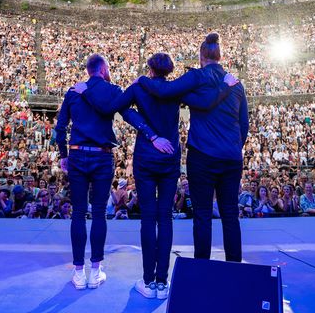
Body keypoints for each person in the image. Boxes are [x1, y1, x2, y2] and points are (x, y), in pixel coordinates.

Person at [72, 51, 235, 298]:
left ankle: (148, 282)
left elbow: (109, 108)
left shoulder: (139, 88)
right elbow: (204, 103)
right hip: (170, 157)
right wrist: (224, 87)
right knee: (165, 218)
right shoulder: (176, 90)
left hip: (146, 158)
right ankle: (162, 282)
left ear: (149, 69)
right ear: (169, 70)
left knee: (148, 218)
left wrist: (86, 90)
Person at [56, 53, 171, 291]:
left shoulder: (73, 91)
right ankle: (95, 271)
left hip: (77, 153)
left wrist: (63, 155)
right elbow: (126, 112)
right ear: (103, 69)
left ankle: (79, 273)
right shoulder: (113, 90)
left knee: (78, 213)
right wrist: (152, 134)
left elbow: (60, 127)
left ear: (88, 70)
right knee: (98, 212)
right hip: (101, 155)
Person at [135, 33, 249, 263]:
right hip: (231, 157)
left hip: (202, 156)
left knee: (202, 215)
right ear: (220, 56)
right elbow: (244, 124)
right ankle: (235, 268)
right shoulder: (236, 84)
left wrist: (142, 80)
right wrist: (235, 146)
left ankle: (201, 269)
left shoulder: (195, 77)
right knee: (230, 214)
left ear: (201, 56)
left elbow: (164, 91)